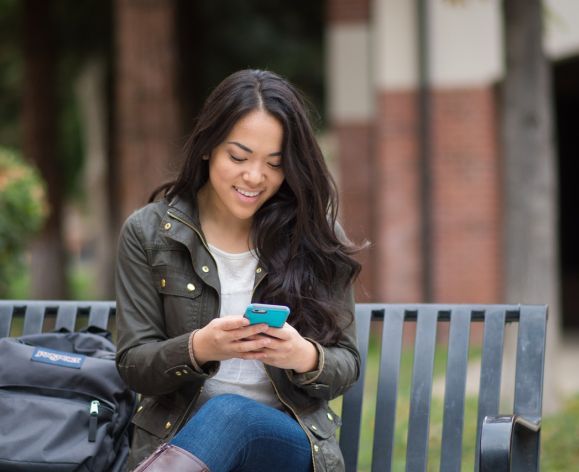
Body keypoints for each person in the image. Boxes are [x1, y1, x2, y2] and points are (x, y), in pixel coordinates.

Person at [115, 69, 362, 472]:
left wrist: (302, 355)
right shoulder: (148, 233)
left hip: (285, 444)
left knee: (232, 416)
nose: (254, 177)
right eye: (239, 156)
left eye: (275, 164)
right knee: (222, 420)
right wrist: (200, 348)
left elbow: (346, 364)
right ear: (208, 147)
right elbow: (134, 365)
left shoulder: (313, 235)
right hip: (183, 441)